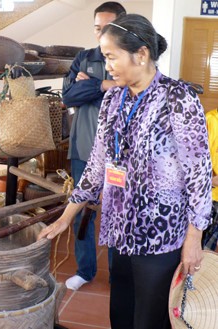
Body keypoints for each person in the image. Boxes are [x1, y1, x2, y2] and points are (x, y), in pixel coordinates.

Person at [39, 13, 212, 329]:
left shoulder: (178, 98)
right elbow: (96, 166)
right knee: (120, 313)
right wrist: (66, 216)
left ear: (141, 54)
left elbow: (199, 174)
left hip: (161, 233)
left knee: (150, 319)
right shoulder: (113, 99)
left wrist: (194, 237)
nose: (107, 66)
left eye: (111, 57)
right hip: (119, 229)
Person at [61, 1, 126, 291]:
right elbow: (69, 96)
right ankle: (85, 270)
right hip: (83, 150)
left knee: (116, 214)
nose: (101, 35)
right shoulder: (84, 57)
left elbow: (129, 94)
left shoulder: (130, 58)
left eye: (108, 29)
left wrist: (93, 85)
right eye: (97, 28)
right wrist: (103, 85)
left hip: (119, 157)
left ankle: (118, 275)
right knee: (83, 212)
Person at [203, 108, 218, 250]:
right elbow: (201, 156)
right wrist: (211, 180)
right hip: (212, 196)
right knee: (206, 246)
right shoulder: (210, 119)